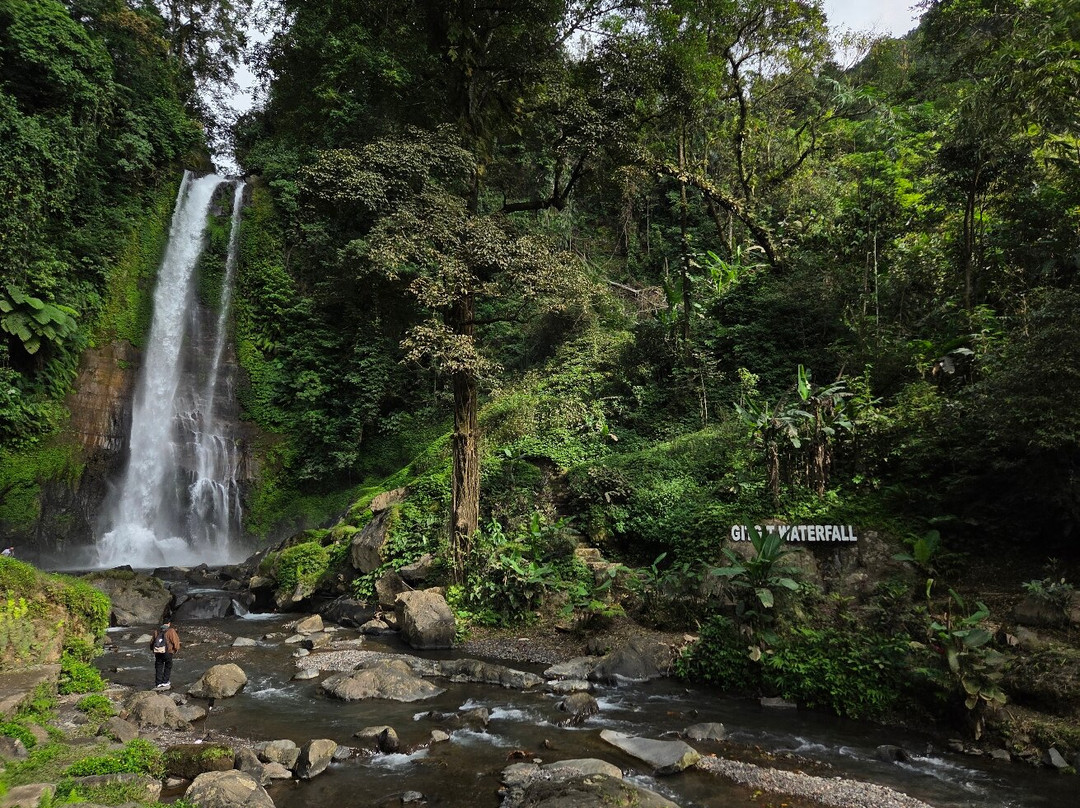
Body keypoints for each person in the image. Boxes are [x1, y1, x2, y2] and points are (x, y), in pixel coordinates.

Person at [150, 619, 180, 690]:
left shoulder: (157, 631)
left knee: (158, 667)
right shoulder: (171, 631)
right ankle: (165, 682)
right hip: (168, 652)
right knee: (168, 666)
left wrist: (153, 650)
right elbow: (175, 641)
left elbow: (152, 642)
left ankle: (158, 683)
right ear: (169, 623)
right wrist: (176, 649)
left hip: (158, 652)